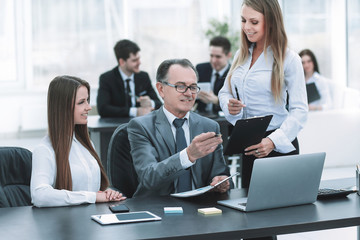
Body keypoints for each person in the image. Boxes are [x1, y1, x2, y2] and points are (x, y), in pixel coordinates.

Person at [218, 2, 307, 239]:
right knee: (250, 223)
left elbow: (300, 111)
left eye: (254, 22)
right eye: (243, 20)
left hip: (276, 145)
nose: (247, 27)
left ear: (271, 21)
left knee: (268, 223)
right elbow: (223, 92)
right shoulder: (241, 54)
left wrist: (272, 141)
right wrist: (229, 105)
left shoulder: (289, 59)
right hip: (250, 145)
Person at [127, 59, 232, 198]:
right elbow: (149, 177)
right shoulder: (141, 127)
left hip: (200, 208)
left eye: (193, 87)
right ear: (161, 89)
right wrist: (188, 156)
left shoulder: (210, 126)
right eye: (181, 86)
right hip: (158, 209)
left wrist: (221, 181)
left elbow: (220, 173)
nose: (189, 93)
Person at [31, 76, 126, 207]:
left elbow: (90, 189)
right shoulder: (44, 149)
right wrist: (93, 196)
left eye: (87, 100)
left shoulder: (86, 144)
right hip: (66, 224)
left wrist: (104, 193)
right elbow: (39, 196)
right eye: (81, 102)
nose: (88, 107)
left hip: (93, 219)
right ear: (63, 107)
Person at [97, 39, 162, 118]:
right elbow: (103, 109)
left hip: (141, 126)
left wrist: (150, 103)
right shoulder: (107, 78)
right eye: (134, 60)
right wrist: (135, 111)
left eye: (139, 58)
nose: (139, 63)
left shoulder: (143, 77)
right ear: (122, 62)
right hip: (115, 127)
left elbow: (159, 104)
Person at [196, 36, 232, 114]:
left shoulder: (234, 75)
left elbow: (235, 104)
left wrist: (217, 101)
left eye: (218, 57)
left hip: (223, 121)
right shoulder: (200, 69)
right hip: (201, 116)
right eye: (211, 56)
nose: (213, 60)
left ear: (228, 55)